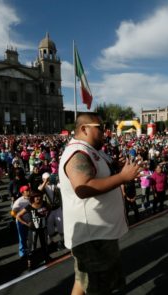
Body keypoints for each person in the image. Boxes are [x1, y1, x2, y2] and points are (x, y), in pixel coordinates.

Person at [58, 113, 140, 295]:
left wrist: (115, 168)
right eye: (100, 127)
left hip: (99, 232)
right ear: (84, 129)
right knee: (98, 287)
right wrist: (122, 177)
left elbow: (97, 175)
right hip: (92, 235)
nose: (105, 131)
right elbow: (83, 187)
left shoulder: (91, 150)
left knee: (83, 281)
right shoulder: (77, 153)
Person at [16, 190, 50, 269]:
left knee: (44, 244)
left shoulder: (44, 204)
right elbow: (18, 216)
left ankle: (46, 258)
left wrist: (46, 216)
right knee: (32, 247)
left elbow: (50, 208)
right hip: (33, 230)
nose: (38, 198)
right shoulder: (29, 207)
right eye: (36, 197)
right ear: (32, 198)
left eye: (39, 196)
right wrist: (26, 223)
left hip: (43, 228)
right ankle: (30, 263)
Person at [38, 172, 64, 250]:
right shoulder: (43, 186)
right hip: (49, 210)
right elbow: (39, 189)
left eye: (48, 178)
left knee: (60, 226)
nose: (48, 180)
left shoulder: (55, 185)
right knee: (50, 228)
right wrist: (45, 182)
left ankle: (62, 241)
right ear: (43, 179)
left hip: (57, 208)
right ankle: (52, 242)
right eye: (46, 179)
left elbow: (61, 187)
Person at [11, 185, 31, 259]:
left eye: (29, 189)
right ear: (22, 193)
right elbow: (13, 213)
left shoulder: (32, 198)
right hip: (21, 222)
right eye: (26, 190)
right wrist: (20, 219)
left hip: (30, 221)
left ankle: (29, 250)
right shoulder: (19, 201)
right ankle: (22, 253)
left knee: (30, 237)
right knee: (22, 238)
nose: (28, 191)